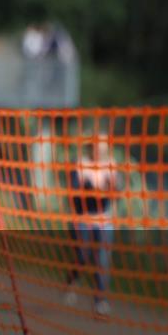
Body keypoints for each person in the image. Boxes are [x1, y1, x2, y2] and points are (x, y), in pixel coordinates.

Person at [63, 133, 118, 317]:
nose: (99, 149)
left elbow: (115, 191)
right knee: (82, 255)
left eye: (102, 145)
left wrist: (109, 190)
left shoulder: (110, 165)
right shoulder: (80, 164)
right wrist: (90, 190)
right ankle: (72, 282)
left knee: (102, 259)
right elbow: (74, 193)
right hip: (83, 219)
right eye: (96, 145)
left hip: (103, 220)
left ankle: (100, 300)